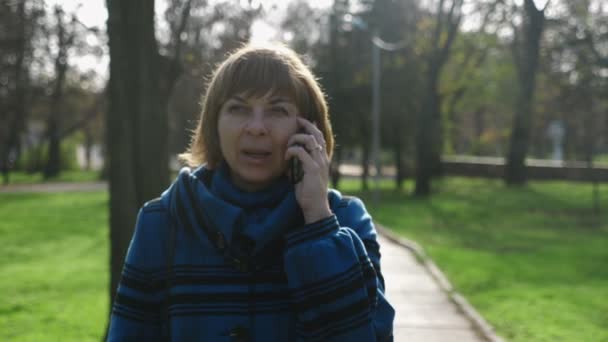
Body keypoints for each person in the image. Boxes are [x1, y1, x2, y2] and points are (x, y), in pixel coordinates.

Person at [107, 43, 395, 341]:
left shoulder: (346, 220)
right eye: (238, 108)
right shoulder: (162, 222)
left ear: (310, 130)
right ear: (214, 124)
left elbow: (371, 336)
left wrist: (319, 223)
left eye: (277, 110)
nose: (256, 127)